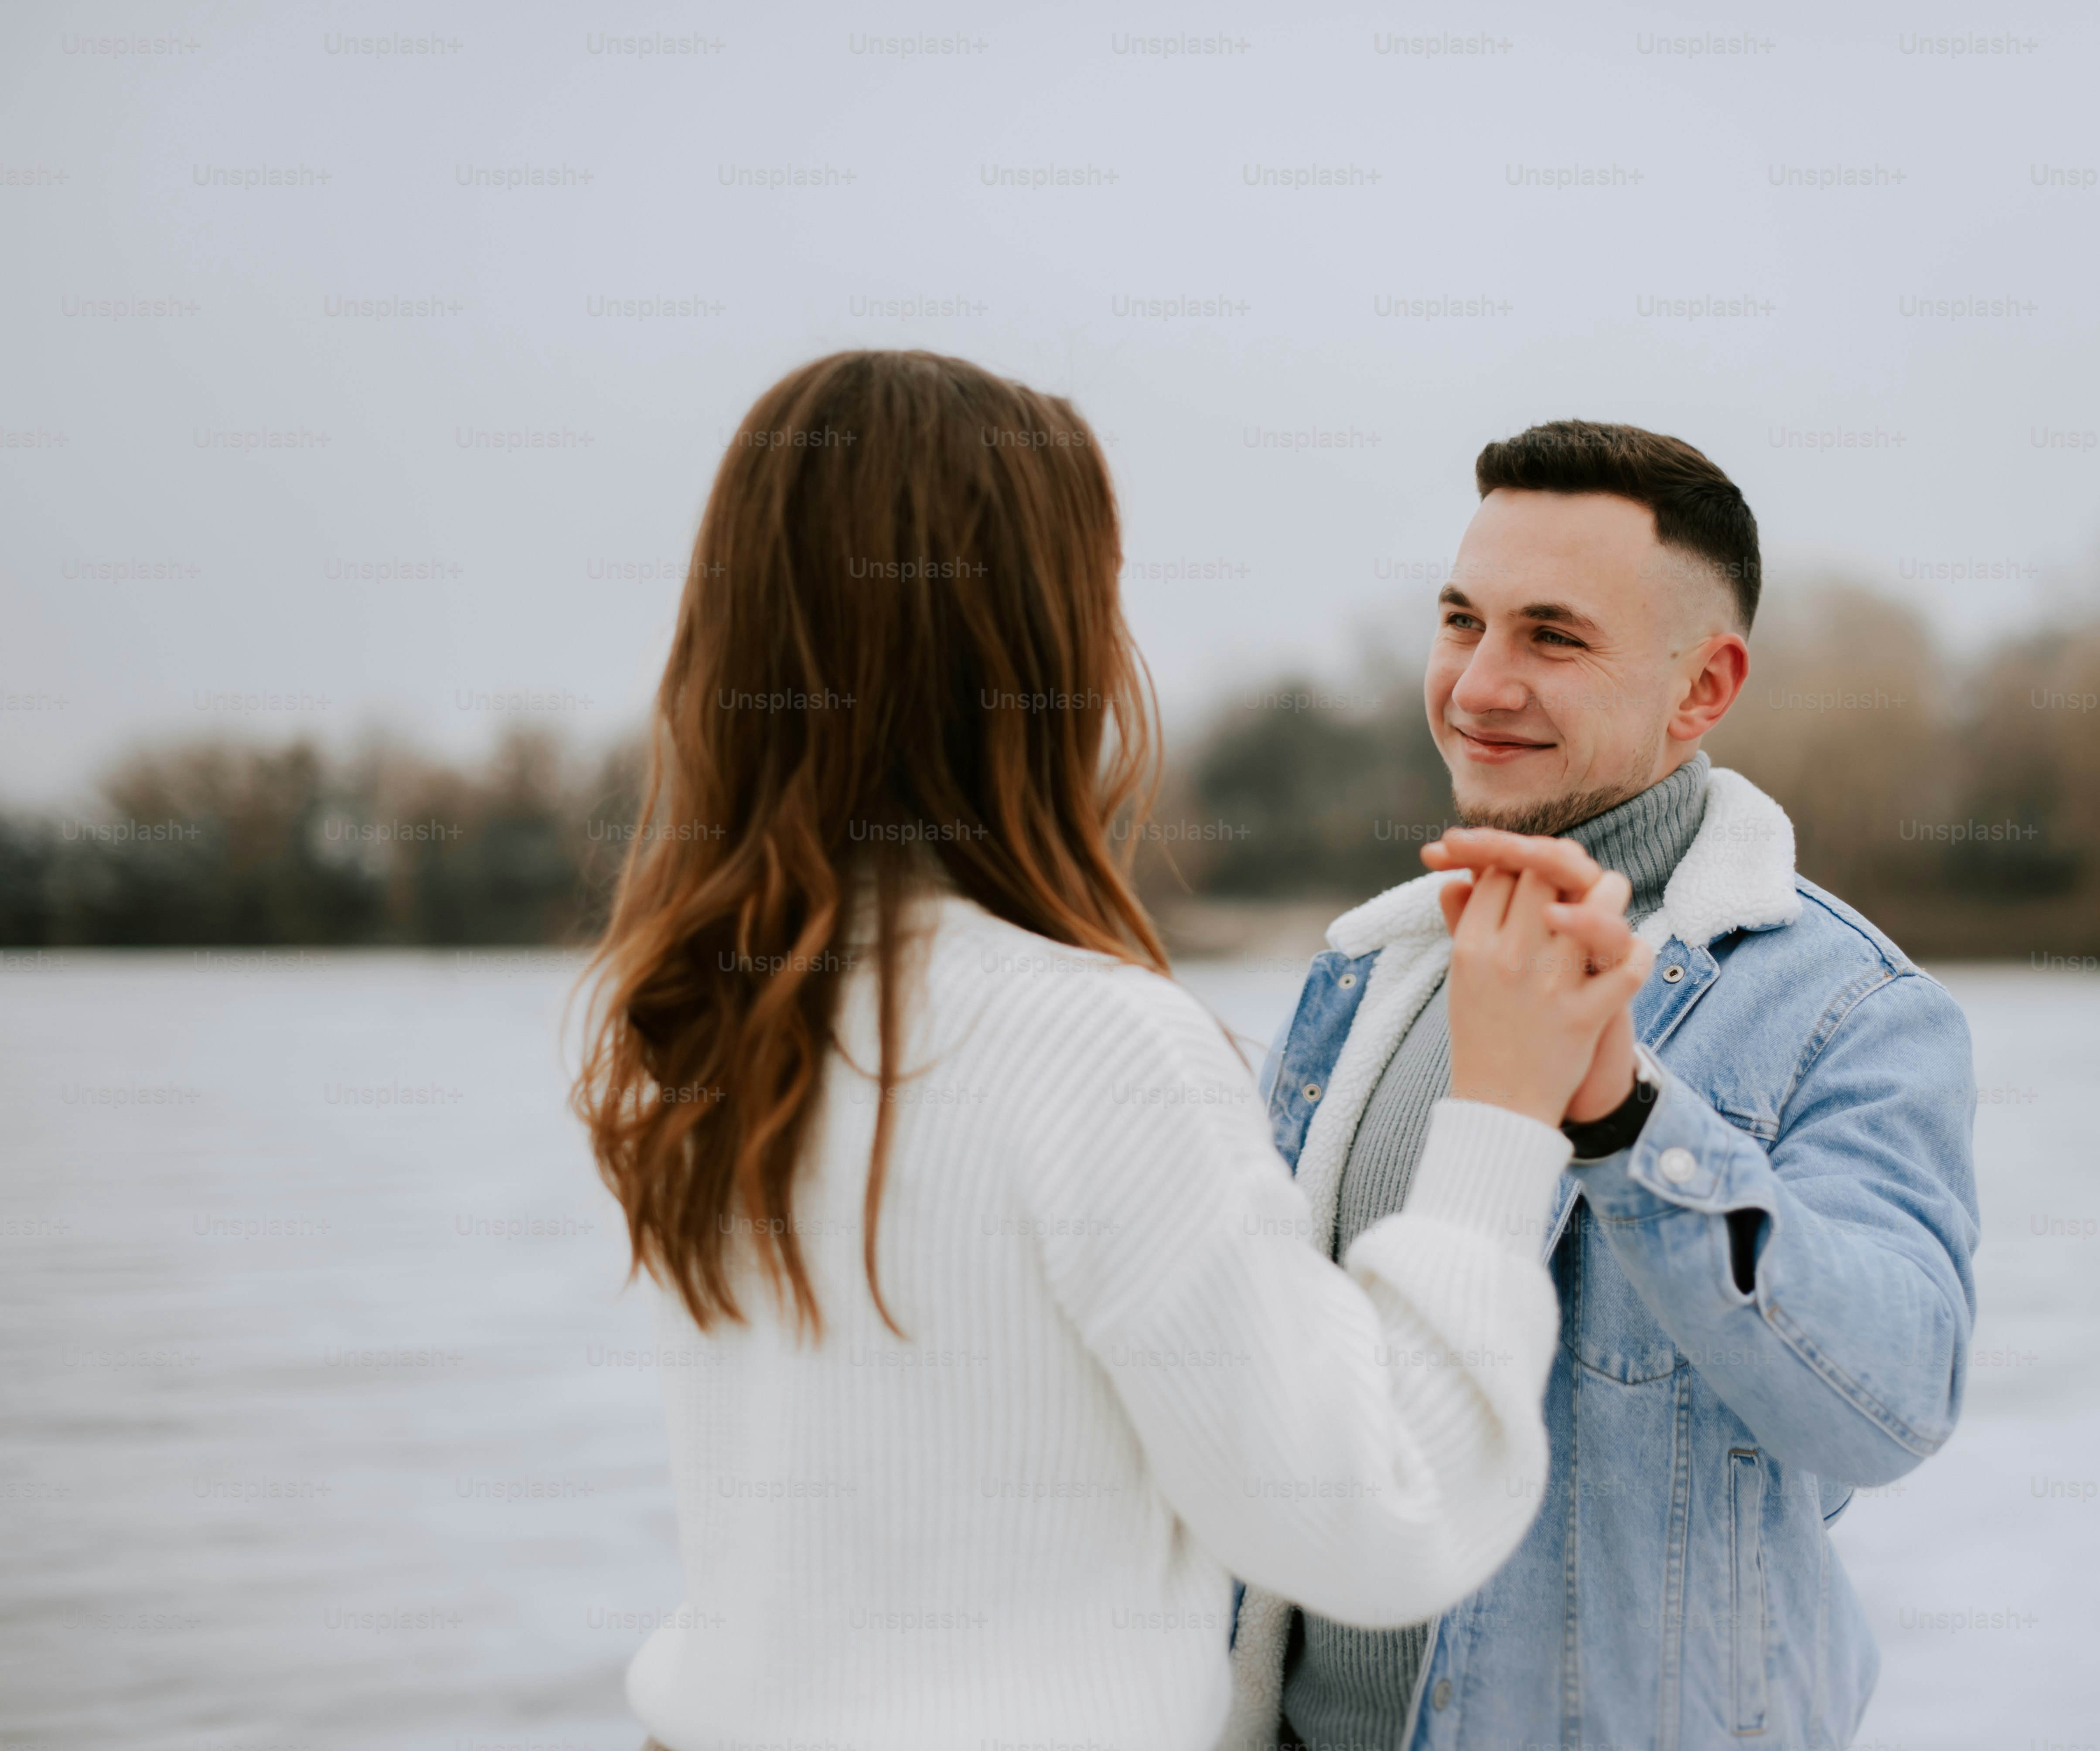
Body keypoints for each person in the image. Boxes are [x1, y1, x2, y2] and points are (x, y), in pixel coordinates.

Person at [569, 352, 1651, 1751]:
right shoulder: (1093, 1042)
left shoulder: (707, 1018)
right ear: (1024, 641)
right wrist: (1503, 1114)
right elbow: (1380, 1523)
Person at [1234, 422, 1982, 1751]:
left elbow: (1893, 1403)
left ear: (1704, 690)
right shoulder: (1364, 970)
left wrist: (1627, 1119)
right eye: (1462, 620)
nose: (1479, 683)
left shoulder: (1853, 1011)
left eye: (1553, 638)